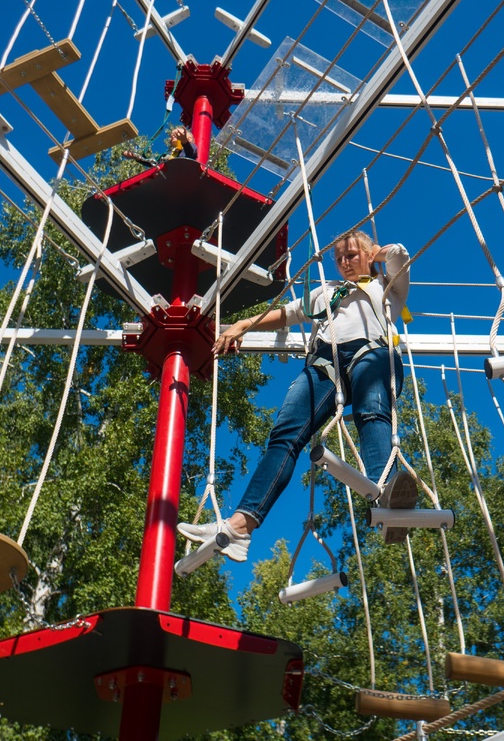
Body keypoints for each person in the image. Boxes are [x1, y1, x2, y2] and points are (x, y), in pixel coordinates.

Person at [177, 229, 415, 562]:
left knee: (372, 410)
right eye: (340, 258)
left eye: (352, 255)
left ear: (368, 254)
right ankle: (240, 526)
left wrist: (374, 251)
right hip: (324, 361)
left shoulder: (385, 286)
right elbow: (287, 314)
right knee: (285, 436)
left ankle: (385, 495)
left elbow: (399, 254)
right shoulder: (324, 293)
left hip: (370, 353)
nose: (345, 263)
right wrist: (244, 323)